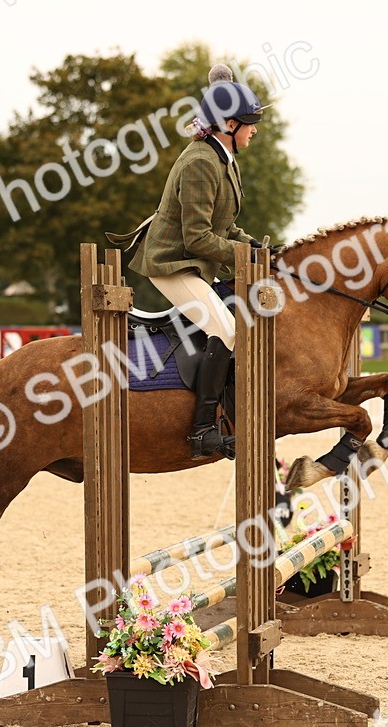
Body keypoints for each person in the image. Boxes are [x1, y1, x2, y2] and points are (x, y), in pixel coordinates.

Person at [108, 65, 274, 460]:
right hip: (171, 265)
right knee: (227, 329)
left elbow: (225, 225)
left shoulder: (223, 159)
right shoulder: (201, 162)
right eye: (250, 123)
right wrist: (245, 257)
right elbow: (197, 237)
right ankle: (202, 430)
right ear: (229, 124)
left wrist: (261, 248)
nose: (255, 130)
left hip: (193, 263)